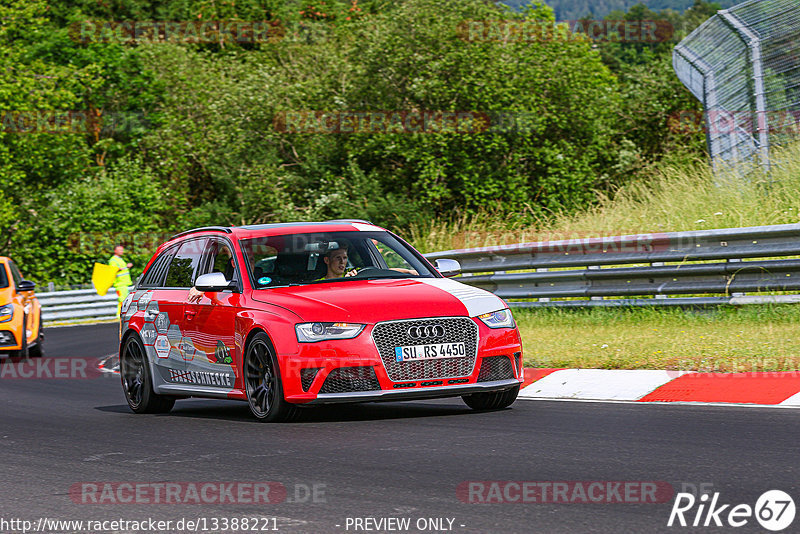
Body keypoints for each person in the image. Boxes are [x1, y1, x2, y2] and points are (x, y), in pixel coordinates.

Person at [109, 245, 133, 318]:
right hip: (120, 284)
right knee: (122, 300)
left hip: (125, 283)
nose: (122, 251)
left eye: (122, 250)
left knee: (125, 300)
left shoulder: (120, 259)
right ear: (115, 251)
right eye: (120, 250)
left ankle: (123, 314)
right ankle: (119, 315)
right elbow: (114, 270)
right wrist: (126, 266)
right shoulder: (113, 260)